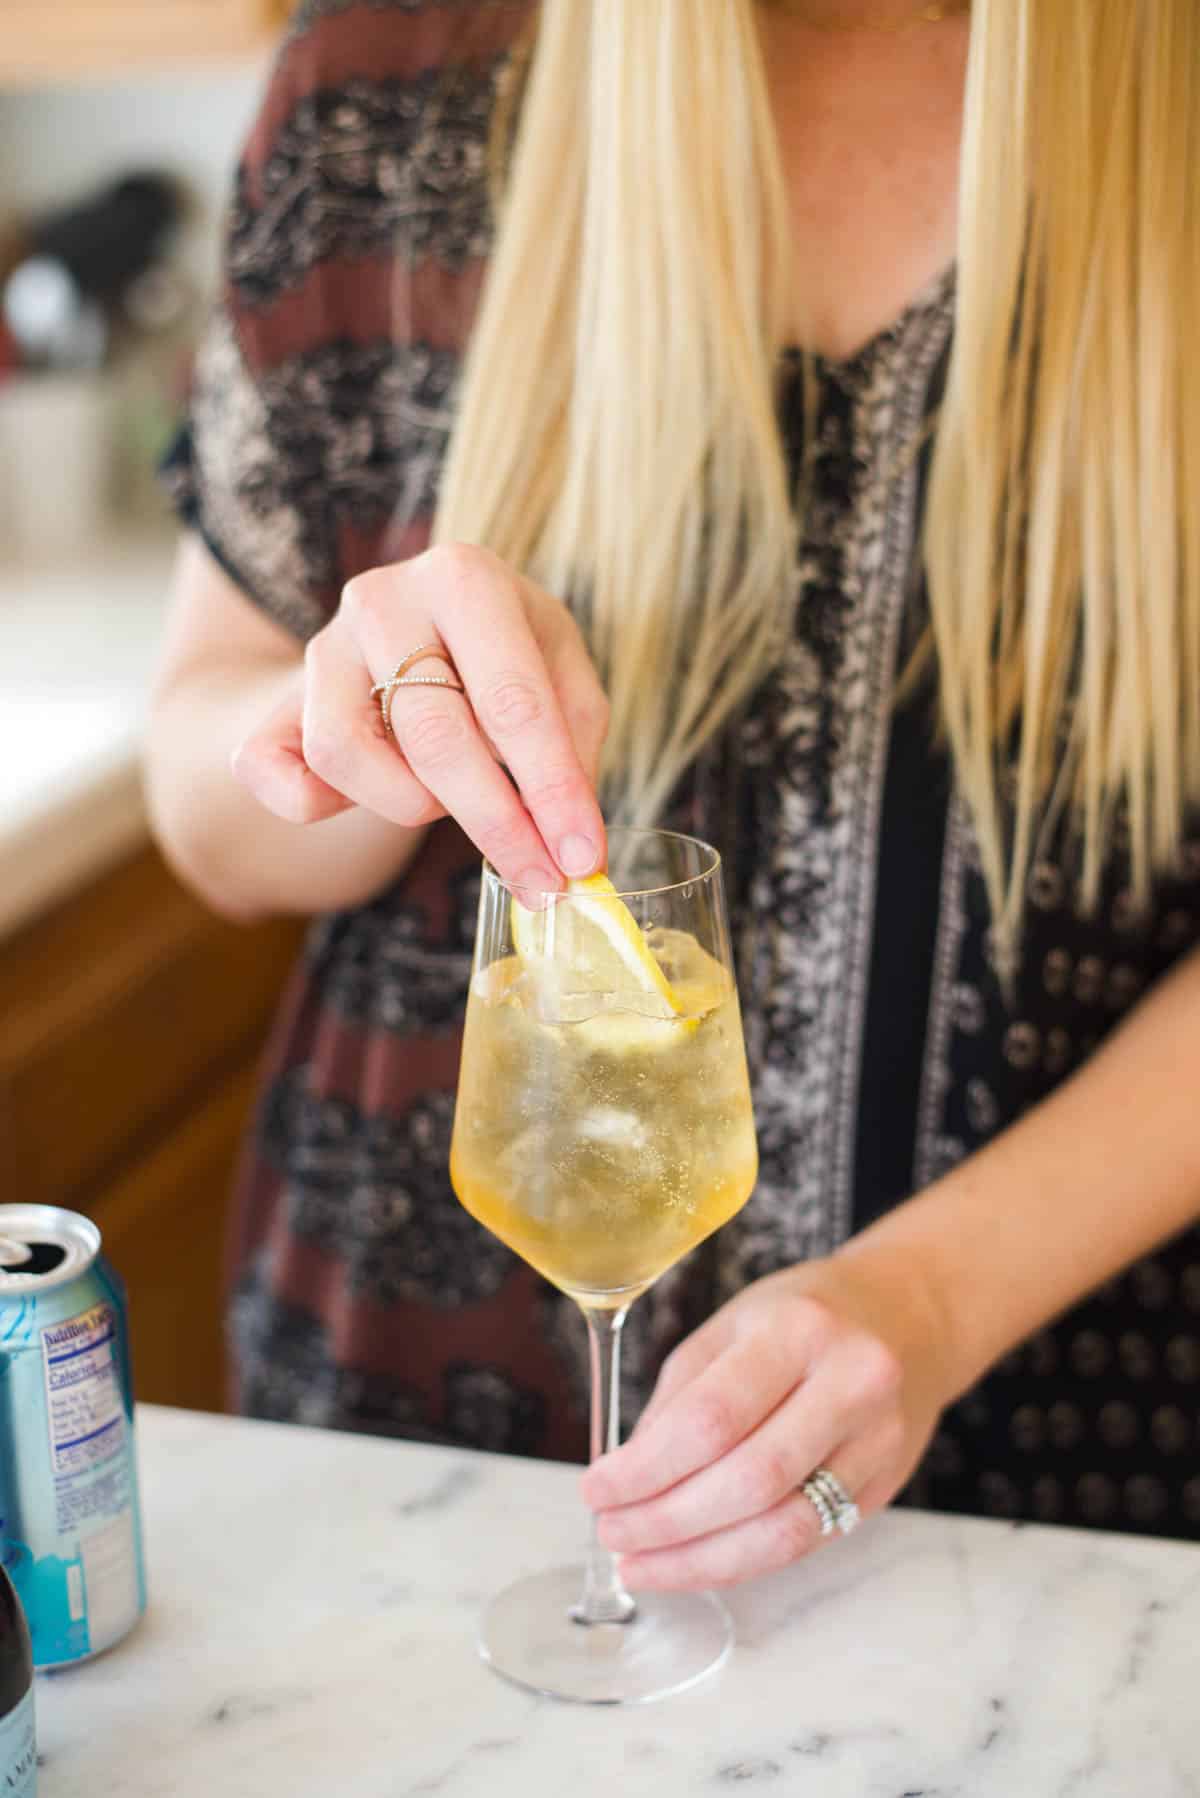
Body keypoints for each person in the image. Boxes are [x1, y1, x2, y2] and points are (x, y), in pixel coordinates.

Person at [146, 0, 1200, 1589]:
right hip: (411, 1467)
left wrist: (928, 1299)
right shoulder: (381, 95)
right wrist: (358, 737)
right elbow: (199, 800)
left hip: (1037, 1518)